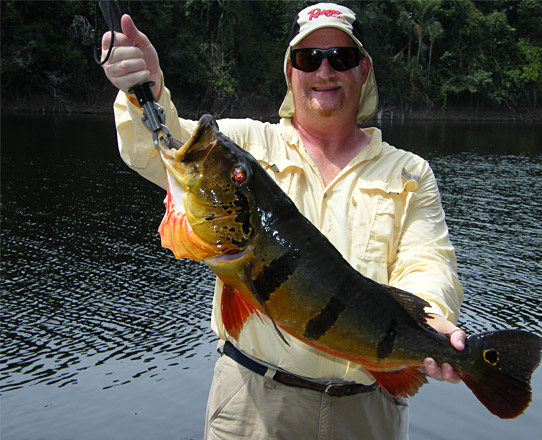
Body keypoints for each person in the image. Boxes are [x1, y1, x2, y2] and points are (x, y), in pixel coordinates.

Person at [102, 3, 465, 439]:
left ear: (363, 70)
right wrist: (146, 90)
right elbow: (156, 148)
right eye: (308, 59)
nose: (324, 71)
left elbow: (428, 261)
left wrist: (434, 322)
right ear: (290, 72)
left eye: (341, 58)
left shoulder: (409, 173)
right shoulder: (245, 144)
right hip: (253, 405)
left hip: (369, 412)